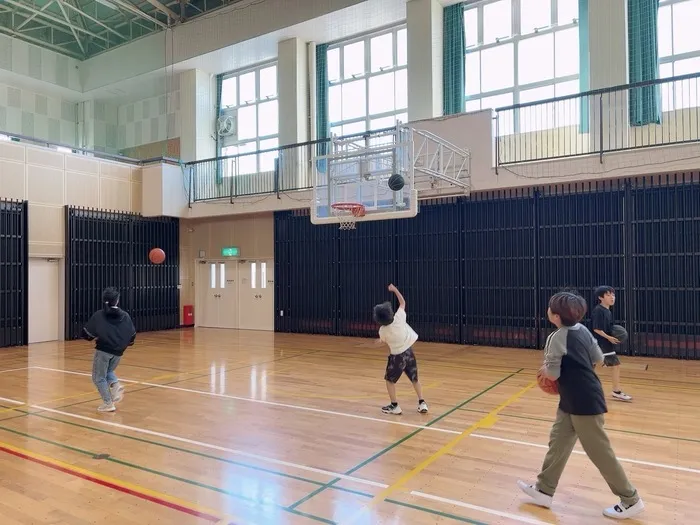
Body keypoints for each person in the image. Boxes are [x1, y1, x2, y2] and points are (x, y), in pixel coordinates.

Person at [517, 291, 644, 520]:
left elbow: (553, 374)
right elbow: (600, 359)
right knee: (558, 441)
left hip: (584, 401)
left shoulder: (556, 338)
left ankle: (630, 499)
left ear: (555, 316)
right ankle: (544, 490)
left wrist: (543, 371)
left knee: (600, 452)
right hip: (574, 397)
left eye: (549, 308)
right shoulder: (582, 330)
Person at [373, 284, 428, 415]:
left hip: (397, 357)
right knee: (415, 379)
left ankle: (394, 406)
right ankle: (422, 402)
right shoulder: (399, 317)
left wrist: (378, 342)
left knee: (389, 381)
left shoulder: (383, 330)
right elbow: (402, 302)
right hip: (409, 352)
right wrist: (395, 290)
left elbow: (383, 341)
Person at [82, 287, 136, 413]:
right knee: (108, 371)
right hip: (118, 352)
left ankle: (108, 403)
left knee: (98, 377)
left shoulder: (99, 315)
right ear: (117, 300)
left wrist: (94, 337)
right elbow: (132, 336)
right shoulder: (125, 316)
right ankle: (115, 385)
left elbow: (86, 334)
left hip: (103, 351)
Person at [591, 285, 632, 401]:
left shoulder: (607, 311)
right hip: (601, 343)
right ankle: (616, 391)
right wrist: (609, 337)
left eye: (613, 295)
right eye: (608, 295)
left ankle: (582, 389)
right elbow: (596, 329)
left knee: (591, 366)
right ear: (601, 297)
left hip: (603, 343)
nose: (612, 297)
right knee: (615, 365)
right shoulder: (599, 311)